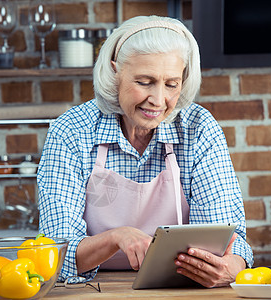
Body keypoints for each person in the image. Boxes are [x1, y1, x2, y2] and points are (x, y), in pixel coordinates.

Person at [37, 15, 253, 288]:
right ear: (115, 72)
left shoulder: (198, 129)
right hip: (93, 290)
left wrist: (231, 267)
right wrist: (117, 237)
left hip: (181, 289)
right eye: (144, 82)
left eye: (171, 84)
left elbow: (229, 241)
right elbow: (55, 253)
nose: (158, 100)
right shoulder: (72, 131)